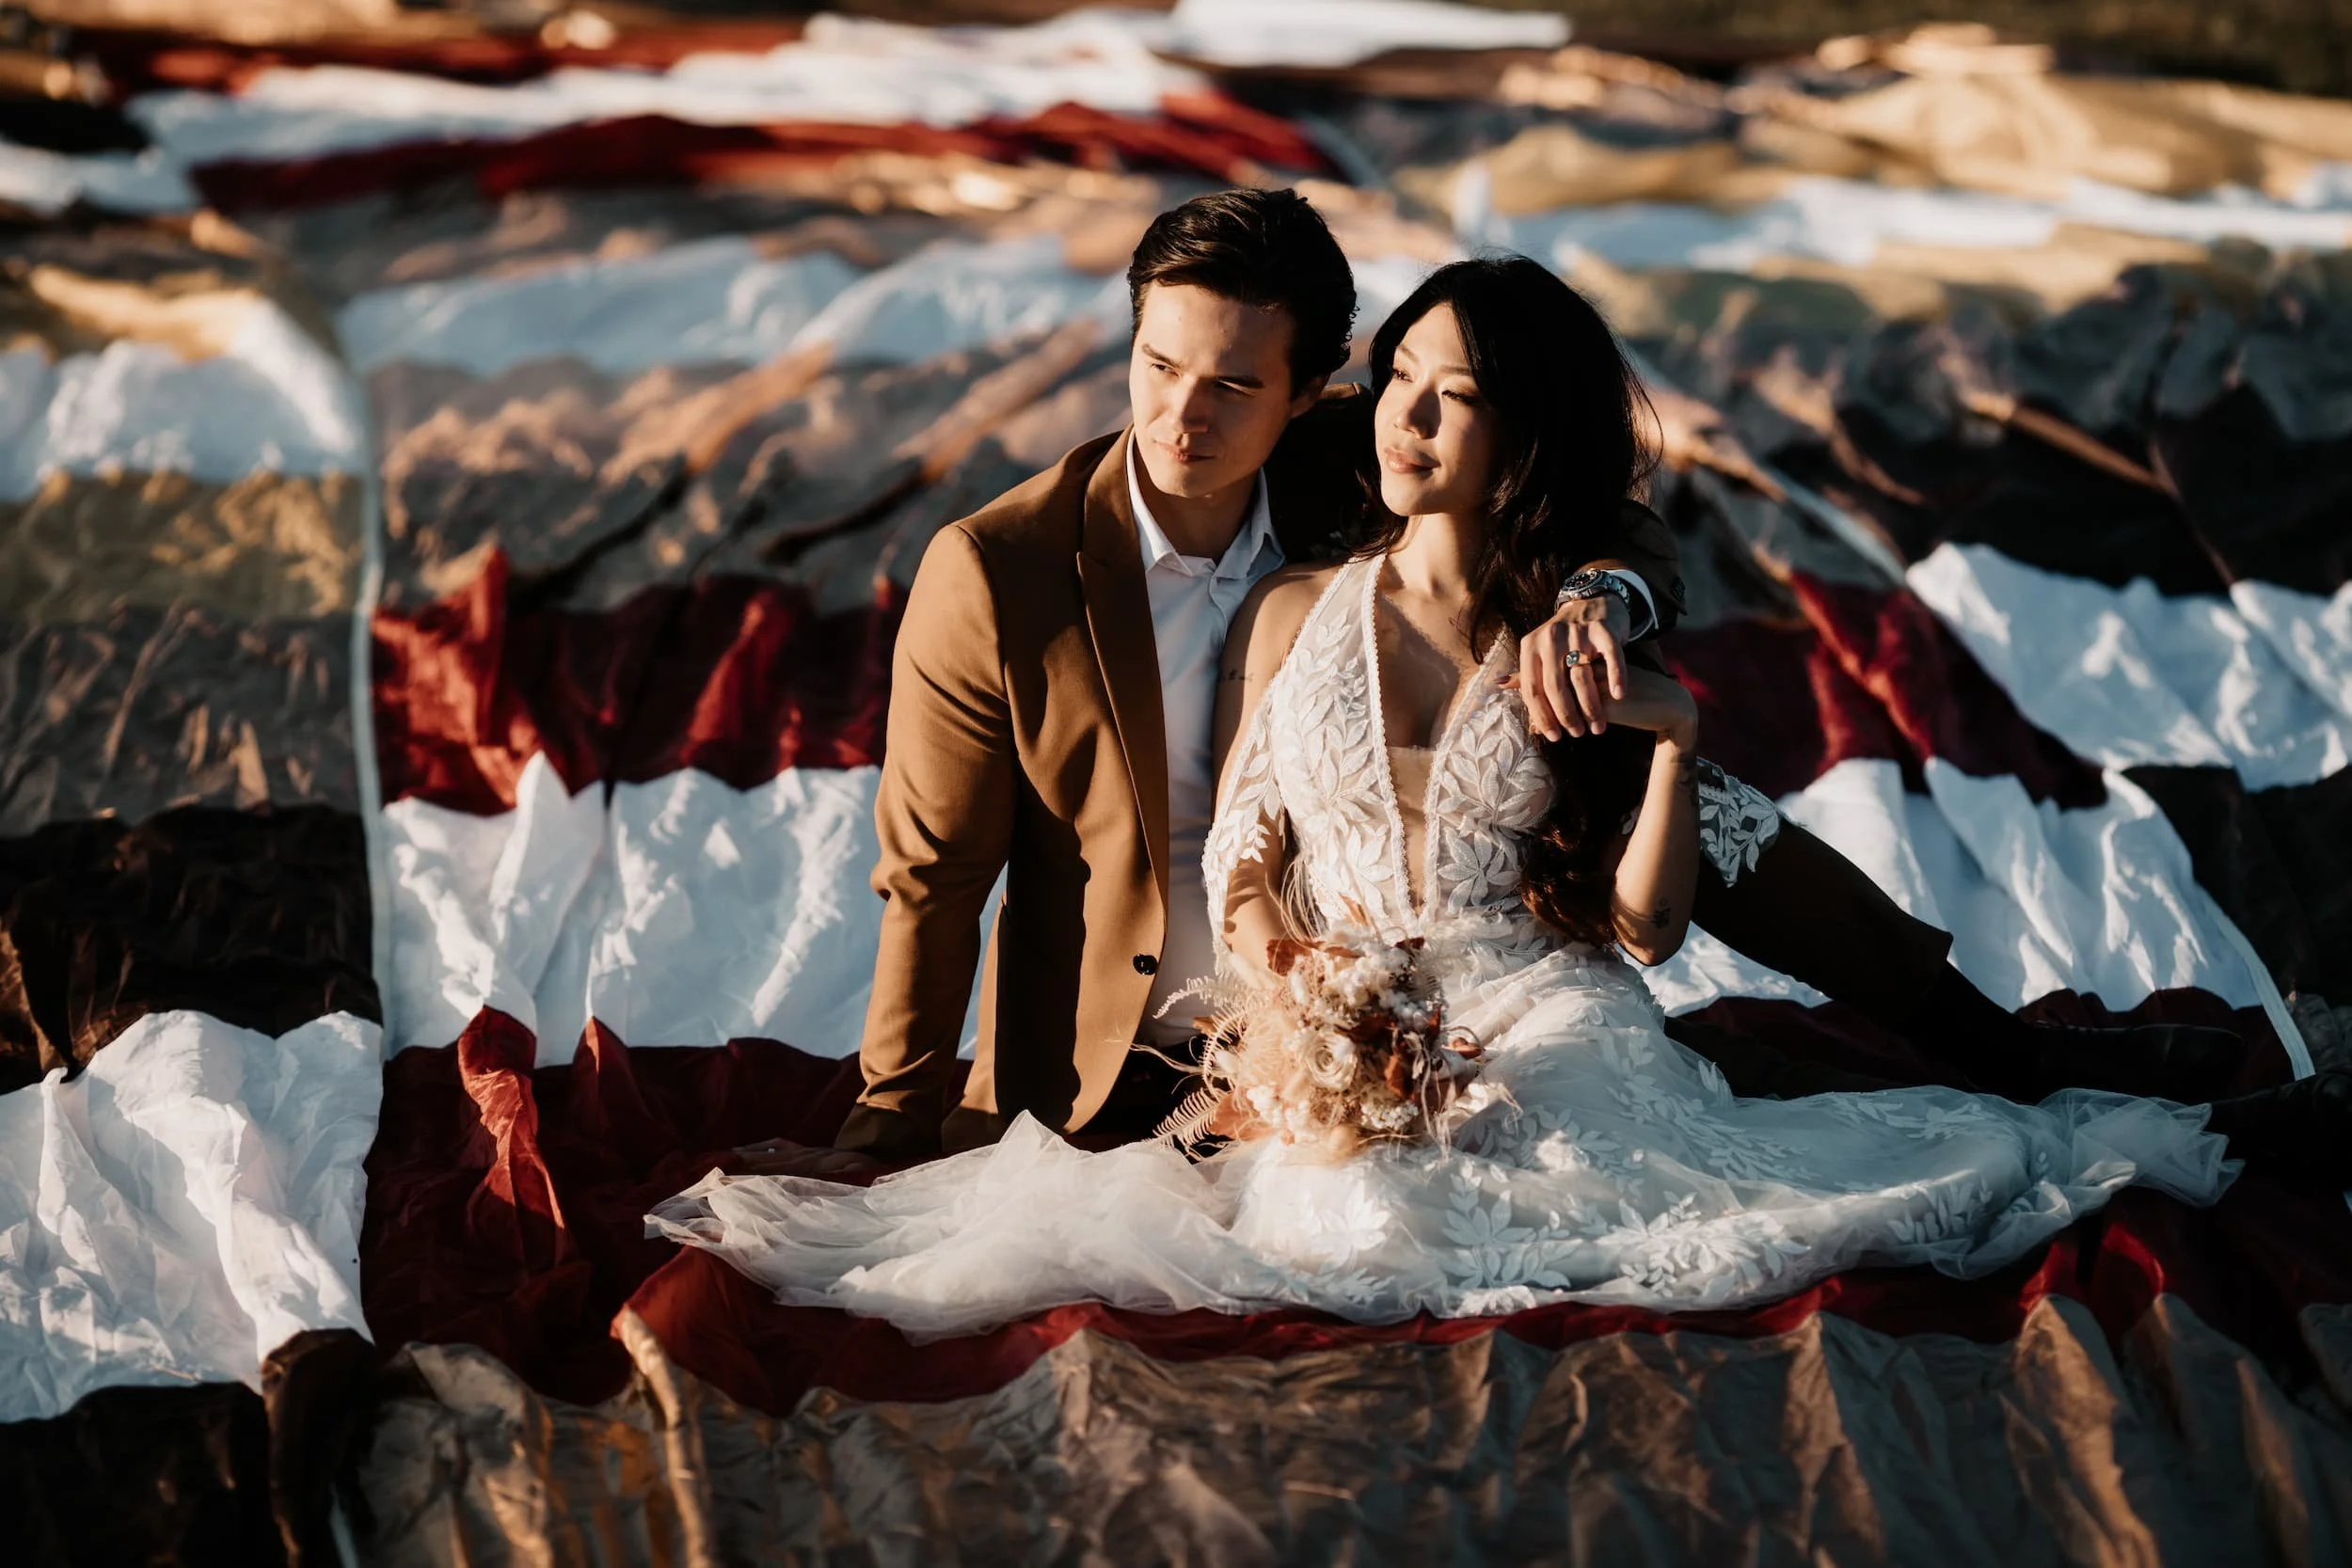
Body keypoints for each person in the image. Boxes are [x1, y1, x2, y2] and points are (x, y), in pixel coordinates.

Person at [660, 258, 2344, 1335]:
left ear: (1306, 383)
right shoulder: (1002, 568)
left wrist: (1606, 606)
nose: (1188, 413)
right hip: (1200, 997)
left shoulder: (1356, 459)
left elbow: (1586, 497)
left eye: (1242, 379)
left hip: (1492, 897)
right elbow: (932, 869)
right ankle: (2018, 1065)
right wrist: (898, 1111)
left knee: (1699, 813)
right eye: (1161, 366)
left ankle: (2019, 1051)